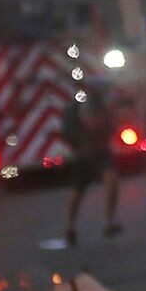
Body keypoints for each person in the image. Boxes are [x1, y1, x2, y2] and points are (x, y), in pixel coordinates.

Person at [48, 85, 123, 248]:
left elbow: (111, 127)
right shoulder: (84, 108)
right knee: (78, 192)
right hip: (85, 155)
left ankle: (108, 223)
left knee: (112, 182)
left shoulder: (100, 106)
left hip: (100, 153)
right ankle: (70, 227)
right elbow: (91, 125)